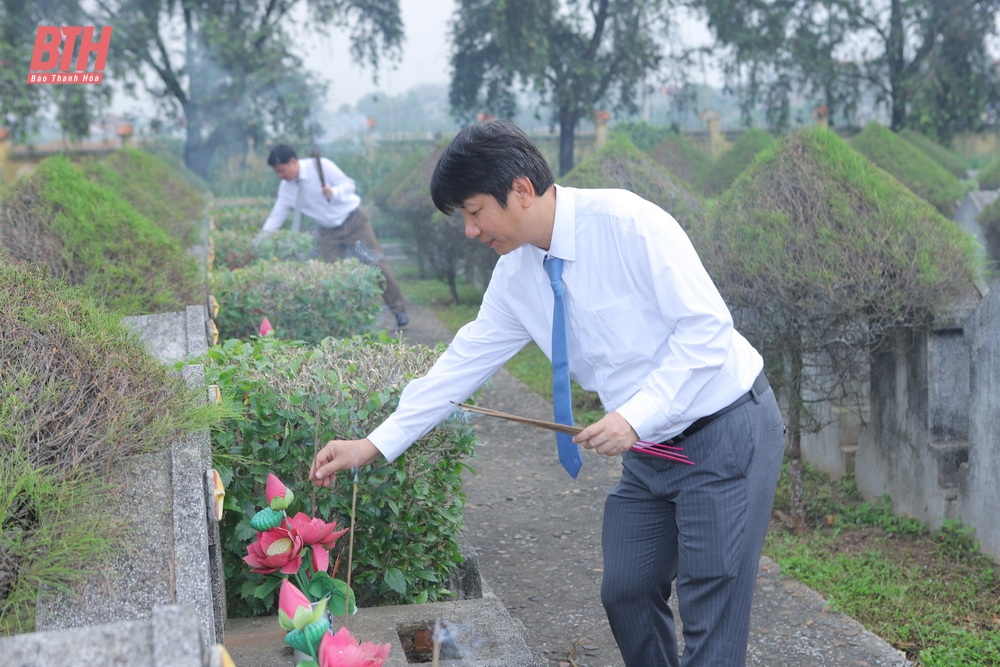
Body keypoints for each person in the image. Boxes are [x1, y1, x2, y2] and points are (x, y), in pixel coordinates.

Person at [309, 119, 785, 666]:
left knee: (711, 614)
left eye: (473, 211)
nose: (470, 230)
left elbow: (706, 329)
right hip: (651, 452)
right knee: (626, 591)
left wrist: (634, 415)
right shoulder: (517, 274)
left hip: (723, 431)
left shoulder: (629, 224)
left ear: (521, 190)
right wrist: (371, 444)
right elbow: (462, 362)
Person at [258, 144, 409, 328]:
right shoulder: (286, 188)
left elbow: (349, 184)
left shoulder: (321, 166)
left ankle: (398, 309)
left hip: (354, 220)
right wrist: (263, 238)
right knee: (330, 274)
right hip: (328, 230)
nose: (280, 176)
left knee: (376, 264)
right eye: (277, 172)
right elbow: (277, 215)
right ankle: (343, 320)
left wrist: (333, 192)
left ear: (293, 162)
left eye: (282, 170)